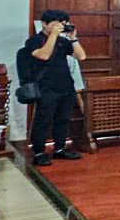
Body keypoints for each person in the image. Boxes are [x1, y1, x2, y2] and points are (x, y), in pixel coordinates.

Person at [20, 9, 87, 167]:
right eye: (56, 23)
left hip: (65, 86)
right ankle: (39, 152)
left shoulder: (64, 41)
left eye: (63, 23)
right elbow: (43, 55)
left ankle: (60, 149)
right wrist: (53, 36)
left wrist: (73, 38)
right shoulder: (34, 41)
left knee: (63, 119)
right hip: (46, 88)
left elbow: (81, 56)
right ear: (44, 23)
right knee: (43, 120)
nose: (60, 26)